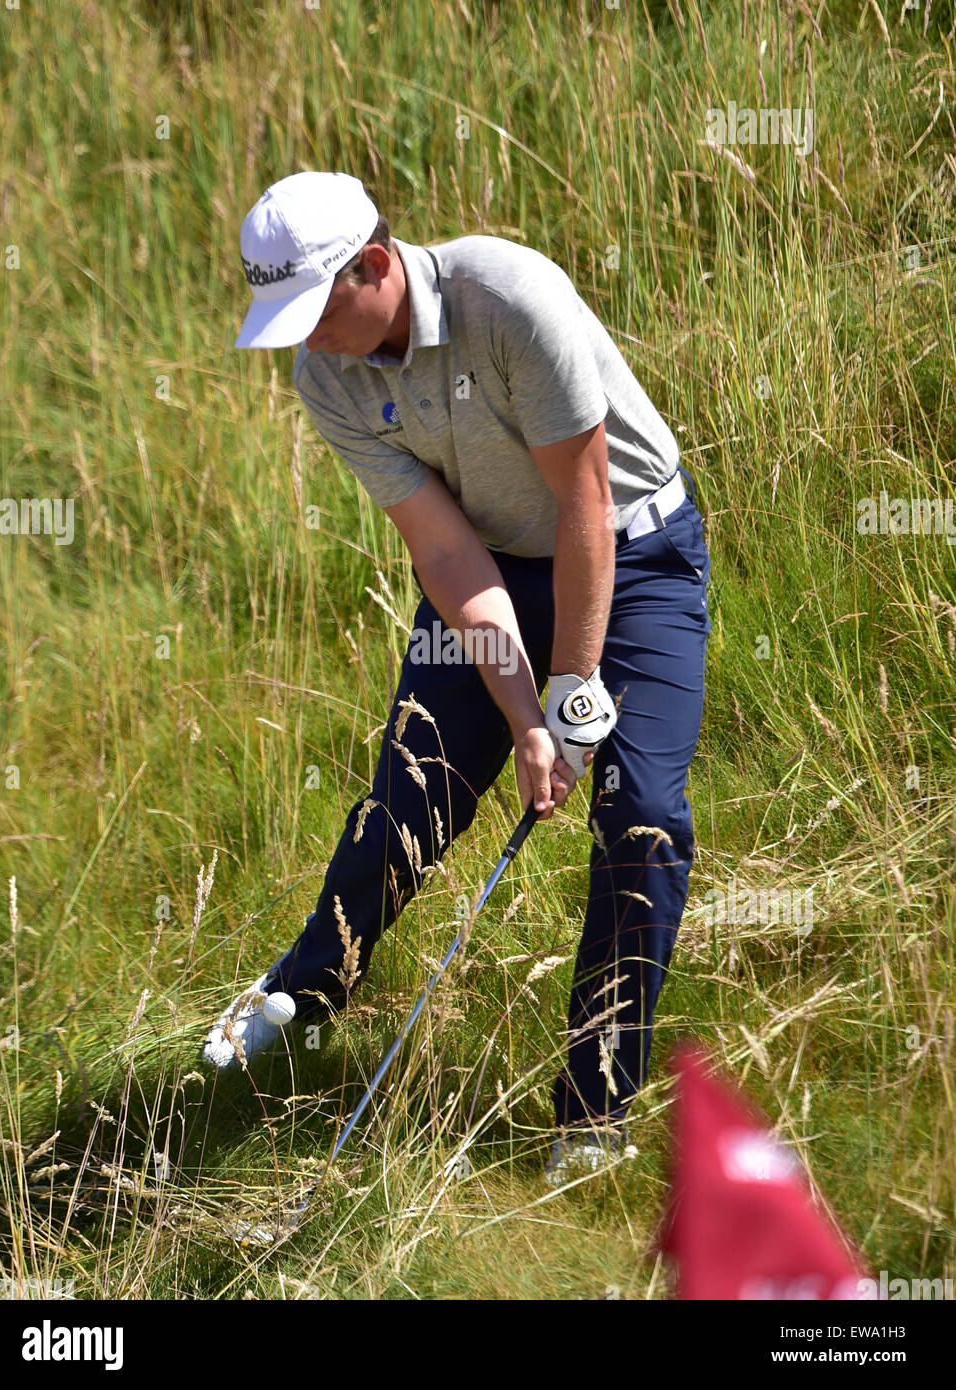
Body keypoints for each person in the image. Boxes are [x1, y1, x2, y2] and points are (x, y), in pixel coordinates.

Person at [204, 170, 711, 1185]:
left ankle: (593, 1107)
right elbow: (444, 554)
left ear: (376, 266)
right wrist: (527, 717)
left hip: (632, 553)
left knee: (642, 812)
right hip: (490, 570)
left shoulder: (511, 298)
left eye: (316, 311)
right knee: (413, 795)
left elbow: (581, 505)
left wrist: (572, 691)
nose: (306, 340)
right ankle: (303, 994)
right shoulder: (327, 375)